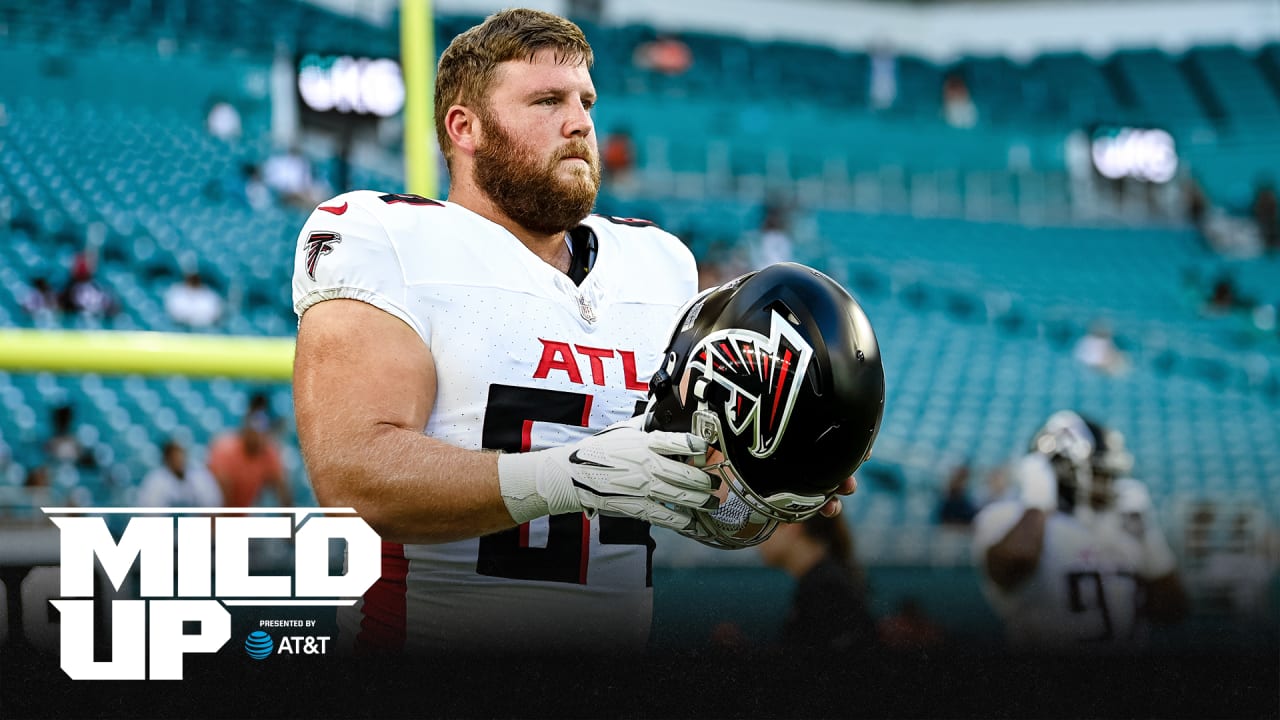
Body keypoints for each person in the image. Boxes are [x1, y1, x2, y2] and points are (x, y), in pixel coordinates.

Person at [290, 9, 854, 657]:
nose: (580, 121)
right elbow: (355, 476)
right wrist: (570, 478)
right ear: (464, 127)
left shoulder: (658, 263)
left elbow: (682, 495)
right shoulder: (386, 237)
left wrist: (761, 495)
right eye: (546, 100)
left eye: (586, 100)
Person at [972, 411, 1185, 651]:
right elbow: (1013, 564)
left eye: (1111, 475)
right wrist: (1037, 503)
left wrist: (1150, 537)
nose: (1110, 485)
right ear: (1055, 474)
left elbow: (1172, 611)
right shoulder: (1005, 519)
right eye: (1099, 475)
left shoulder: (1122, 521)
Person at [756, 513, 878, 656]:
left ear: (792, 526)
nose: (757, 539)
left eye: (764, 526)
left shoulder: (826, 589)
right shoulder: (823, 582)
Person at [207, 402, 290, 509]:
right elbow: (221, 495)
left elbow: (282, 488)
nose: (257, 437)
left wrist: (291, 521)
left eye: (261, 433)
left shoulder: (267, 452)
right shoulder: (226, 449)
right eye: (254, 432)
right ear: (246, 431)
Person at [138, 439, 223, 508]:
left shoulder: (200, 477)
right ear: (166, 458)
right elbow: (150, 513)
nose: (179, 459)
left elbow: (213, 505)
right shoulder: (154, 481)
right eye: (174, 456)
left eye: (180, 455)